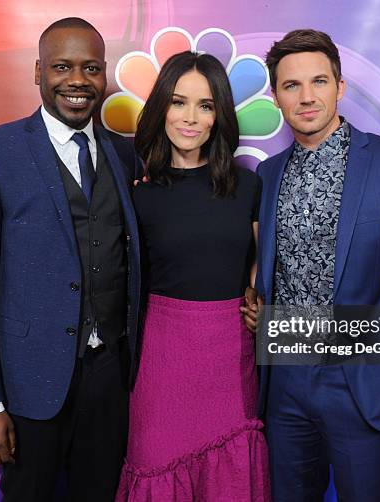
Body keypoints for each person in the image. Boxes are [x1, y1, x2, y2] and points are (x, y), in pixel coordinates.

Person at [241, 30, 380, 501]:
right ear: (276, 96)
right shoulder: (268, 174)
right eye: (291, 85)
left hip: (365, 380)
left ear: (340, 86)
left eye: (318, 81)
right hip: (285, 382)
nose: (306, 96)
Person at [0, 17, 142, 502]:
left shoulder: (126, 155)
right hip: (28, 386)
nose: (77, 80)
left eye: (91, 68)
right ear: (38, 72)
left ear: (104, 75)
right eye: (62, 66)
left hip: (110, 380)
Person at [116, 51, 271, 501]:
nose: (190, 118)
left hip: (229, 355)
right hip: (161, 358)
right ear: (161, 106)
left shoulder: (249, 186)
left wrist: (263, 306)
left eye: (205, 106)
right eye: (179, 102)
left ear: (218, 115)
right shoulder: (137, 195)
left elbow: (262, 271)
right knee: (155, 466)